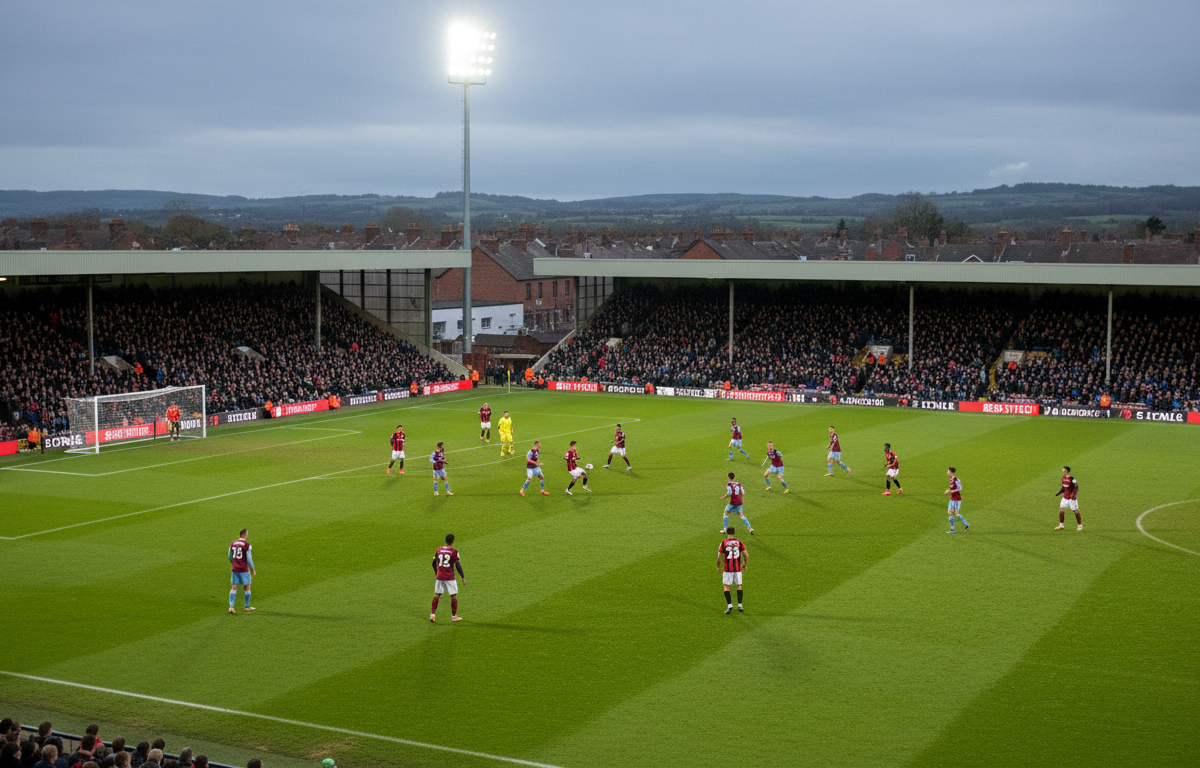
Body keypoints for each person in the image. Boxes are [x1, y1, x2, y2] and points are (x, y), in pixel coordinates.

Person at [431, 533, 464, 622]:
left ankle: (432, 614)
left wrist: (436, 572)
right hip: (449, 577)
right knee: (453, 596)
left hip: (440, 576)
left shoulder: (439, 549)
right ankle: (454, 616)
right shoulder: (454, 551)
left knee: (437, 594)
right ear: (452, 541)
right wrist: (463, 577)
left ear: (445, 540)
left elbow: (434, 562)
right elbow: (458, 565)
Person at [719, 526, 747, 614]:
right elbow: (746, 555)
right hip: (738, 568)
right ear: (734, 533)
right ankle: (740, 605)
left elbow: (719, 556)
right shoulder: (739, 542)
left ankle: (729, 605)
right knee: (739, 585)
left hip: (728, 569)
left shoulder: (723, 543)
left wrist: (719, 565)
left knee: (726, 586)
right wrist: (745, 565)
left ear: (727, 533)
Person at [228, 528, 256, 613]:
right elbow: (249, 559)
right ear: (245, 534)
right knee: (247, 586)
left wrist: (234, 564)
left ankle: (231, 607)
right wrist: (252, 569)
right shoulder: (247, 545)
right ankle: (247, 606)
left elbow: (229, 556)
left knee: (233, 587)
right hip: (244, 569)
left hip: (235, 569)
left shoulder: (233, 544)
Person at [1055, 466, 1082, 531]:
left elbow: (1076, 487)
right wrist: (1059, 492)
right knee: (1061, 509)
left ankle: (1080, 525)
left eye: (1064, 471)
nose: (1063, 472)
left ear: (1067, 471)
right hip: (1065, 497)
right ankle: (1061, 525)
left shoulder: (1072, 479)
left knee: (1075, 511)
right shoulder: (1063, 478)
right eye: (1063, 471)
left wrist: (1074, 495)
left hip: (1072, 499)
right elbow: (1063, 487)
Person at [944, 467, 969, 533]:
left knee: (954, 514)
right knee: (950, 513)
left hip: (957, 499)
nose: (947, 472)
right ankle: (953, 530)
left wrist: (950, 491)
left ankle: (966, 524)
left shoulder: (956, 480)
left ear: (950, 472)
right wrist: (949, 492)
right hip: (952, 499)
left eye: (948, 471)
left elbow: (959, 488)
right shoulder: (951, 480)